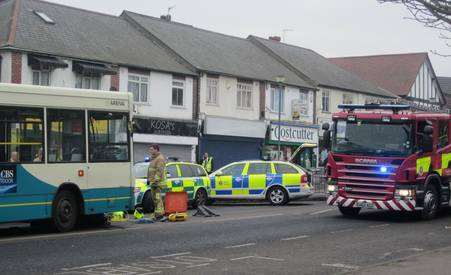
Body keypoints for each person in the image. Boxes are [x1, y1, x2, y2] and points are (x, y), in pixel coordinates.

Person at [147, 144, 167, 222]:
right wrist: (149, 180)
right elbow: (151, 170)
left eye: (151, 149)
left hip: (158, 183)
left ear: (156, 149)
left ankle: (160, 215)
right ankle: (157, 214)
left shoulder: (160, 158)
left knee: (158, 199)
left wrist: (155, 180)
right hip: (153, 183)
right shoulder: (153, 158)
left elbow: (159, 171)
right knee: (155, 199)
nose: (150, 151)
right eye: (150, 149)